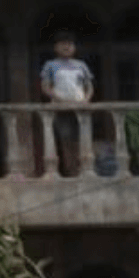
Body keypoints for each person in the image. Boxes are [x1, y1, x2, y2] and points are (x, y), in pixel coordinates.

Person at [39, 29, 93, 176]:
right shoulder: (50, 65)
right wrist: (60, 99)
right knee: (66, 142)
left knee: (82, 142)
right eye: (63, 44)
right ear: (56, 48)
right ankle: (71, 172)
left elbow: (89, 86)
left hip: (80, 108)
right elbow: (45, 87)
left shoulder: (81, 65)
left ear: (74, 48)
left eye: (69, 44)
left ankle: (84, 171)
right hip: (61, 109)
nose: (66, 47)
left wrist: (86, 100)